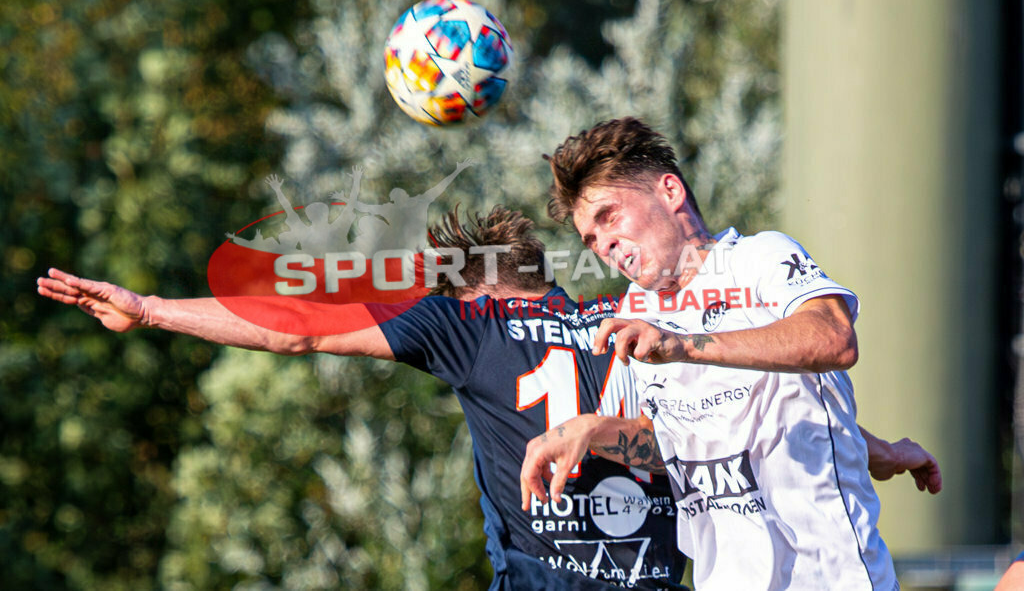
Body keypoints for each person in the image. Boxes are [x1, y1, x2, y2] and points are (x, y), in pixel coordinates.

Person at [40, 203, 936, 590]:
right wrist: (880, 450)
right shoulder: (624, 321)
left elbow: (295, 328)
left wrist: (149, 308)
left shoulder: (467, 324)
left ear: (468, 285)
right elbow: (737, 413)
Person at [521, 116, 934, 590]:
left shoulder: (756, 259)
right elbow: (679, 441)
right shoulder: (637, 310)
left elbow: (833, 339)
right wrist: (593, 430)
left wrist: (684, 345)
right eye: (591, 240)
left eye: (609, 216)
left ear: (670, 192)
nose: (605, 245)